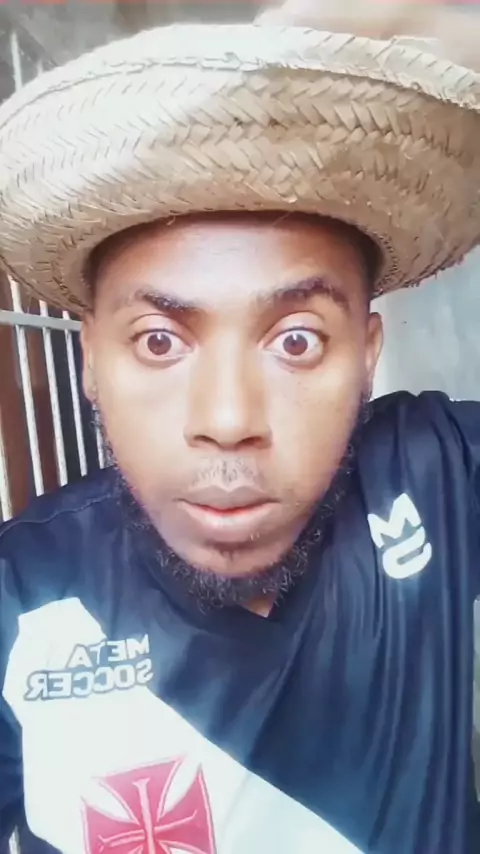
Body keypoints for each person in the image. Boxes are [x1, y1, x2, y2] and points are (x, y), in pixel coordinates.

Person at [0, 2, 479, 852]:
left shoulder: (437, 474)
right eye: (160, 341)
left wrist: (422, 21)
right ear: (90, 361)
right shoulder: (20, 598)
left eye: (296, 341)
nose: (228, 421)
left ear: (367, 356)